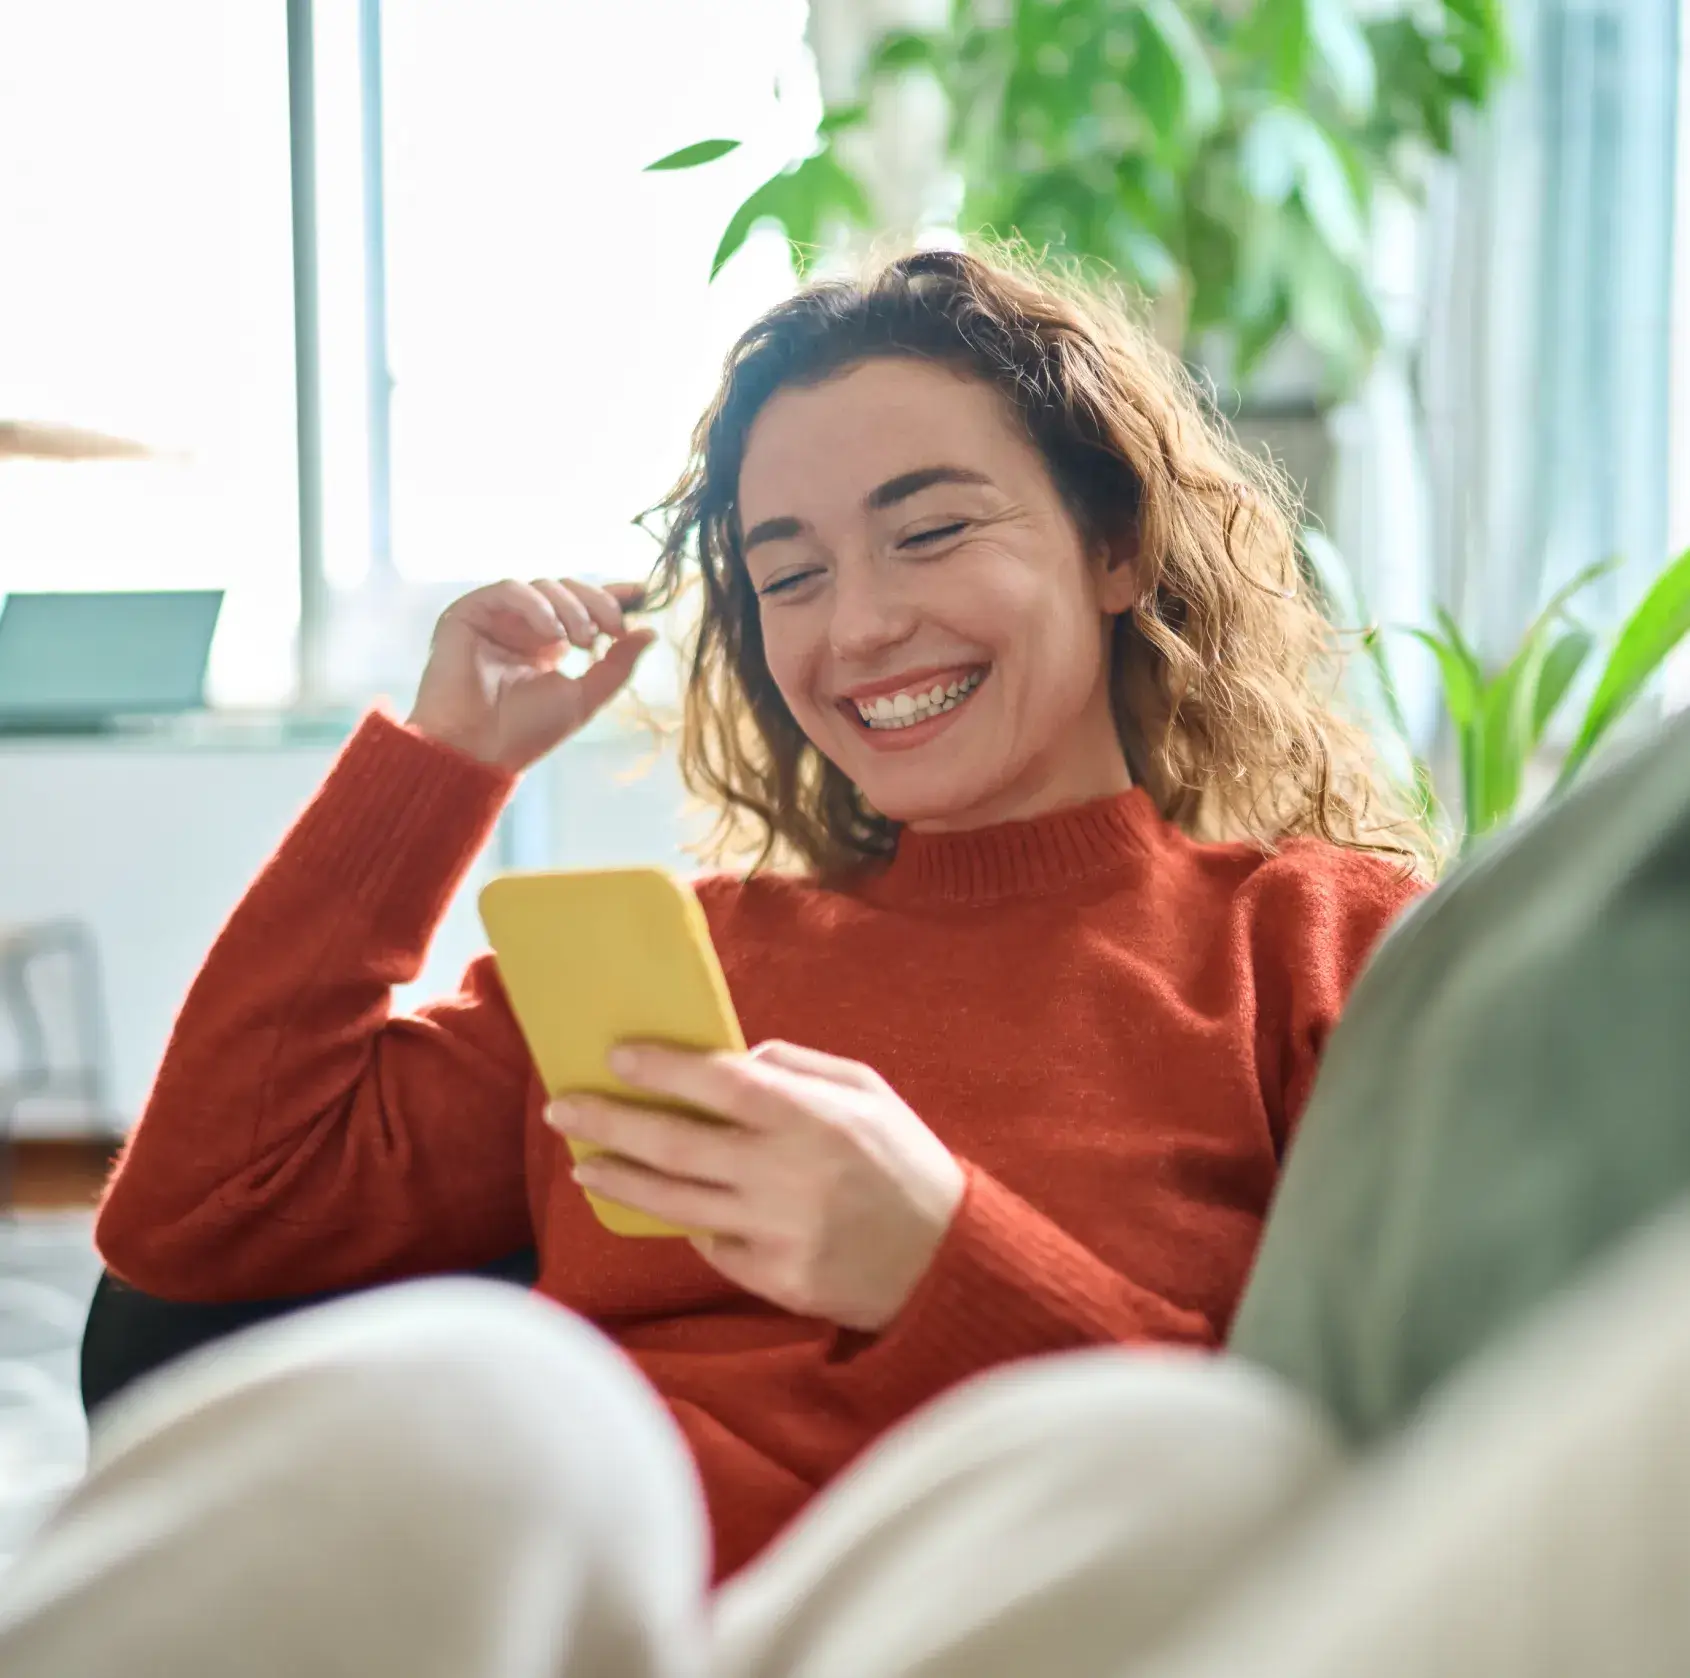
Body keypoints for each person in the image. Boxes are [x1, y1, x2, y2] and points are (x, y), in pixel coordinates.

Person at [89, 249, 1423, 1590]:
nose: (859, 626)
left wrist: (937, 1259)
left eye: (932, 530)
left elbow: (1359, 1479)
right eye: (788, 576)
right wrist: (442, 762)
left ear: (1114, 542)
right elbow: (198, 1217)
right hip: (578, 1601)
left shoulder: (1314, 944)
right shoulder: (679, 965)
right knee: (469, 1404)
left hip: (1006, 1606)